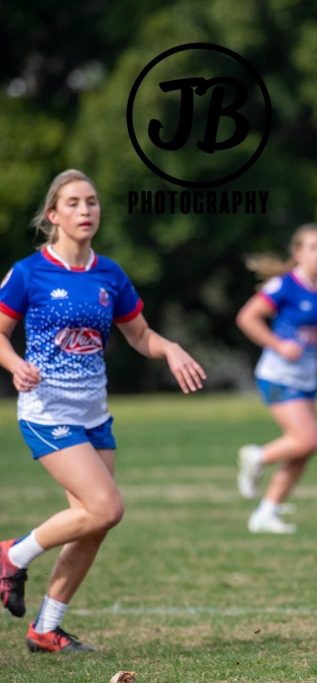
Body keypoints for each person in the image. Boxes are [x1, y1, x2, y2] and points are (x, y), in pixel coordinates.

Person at [0, 169, 206, 653]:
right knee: (106, 506)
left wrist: (170, 348)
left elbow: (140, 335)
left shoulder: (108, 274)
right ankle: (12, 553)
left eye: (91, 202)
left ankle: (46, 628)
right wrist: (12, 364)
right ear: (53, 215)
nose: (85, 210)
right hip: (47, 412)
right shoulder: (30, 272)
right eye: (72, 203)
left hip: (94, 414)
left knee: (95, 520)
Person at [235, 223, 317, 534]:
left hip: (307, 377)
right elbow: (247, 318)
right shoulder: (284, 286)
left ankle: (267, 512)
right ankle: (257, 456)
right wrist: (278, 345)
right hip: (278, 375)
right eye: (313, 247)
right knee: (308, 439)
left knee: (304, 448)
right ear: (298, 253)